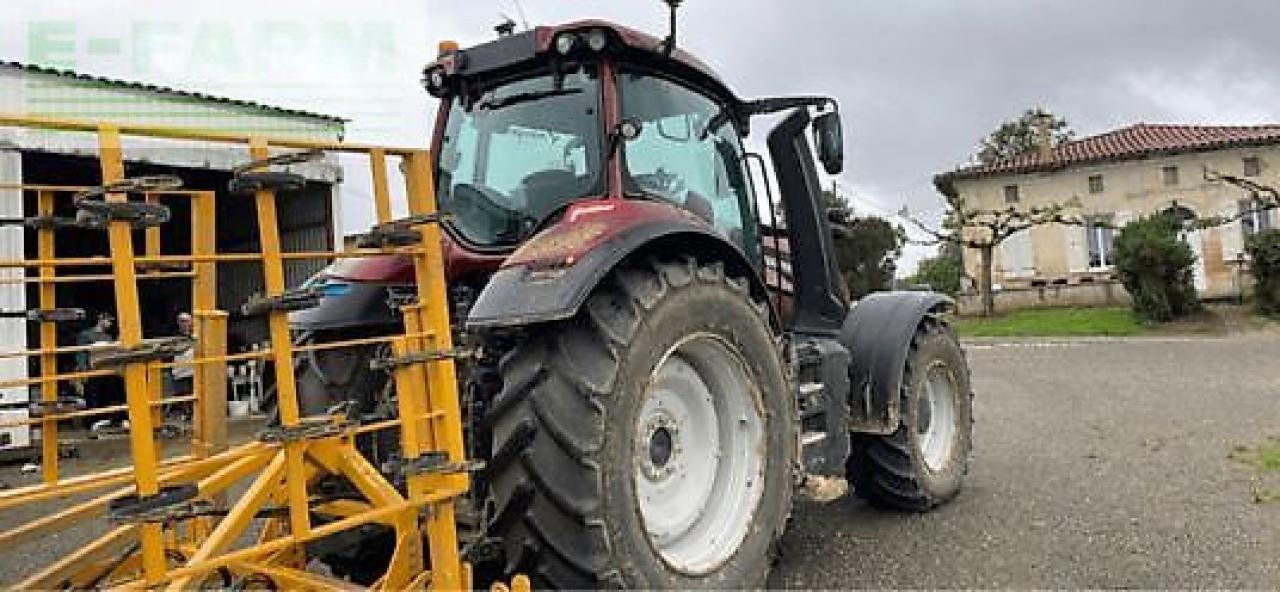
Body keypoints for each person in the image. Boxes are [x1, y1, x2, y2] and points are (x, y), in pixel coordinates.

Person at [75, 312, 126, 431]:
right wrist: (83, 370)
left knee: (107, 395)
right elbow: (81, 354)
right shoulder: (86, 335)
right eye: (108, 320)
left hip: (107, 369)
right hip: (93, 370)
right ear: (101, 319)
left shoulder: (108, 337)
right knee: (92, 396)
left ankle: (106, 419)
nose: (110, 323)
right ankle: (91, 421)